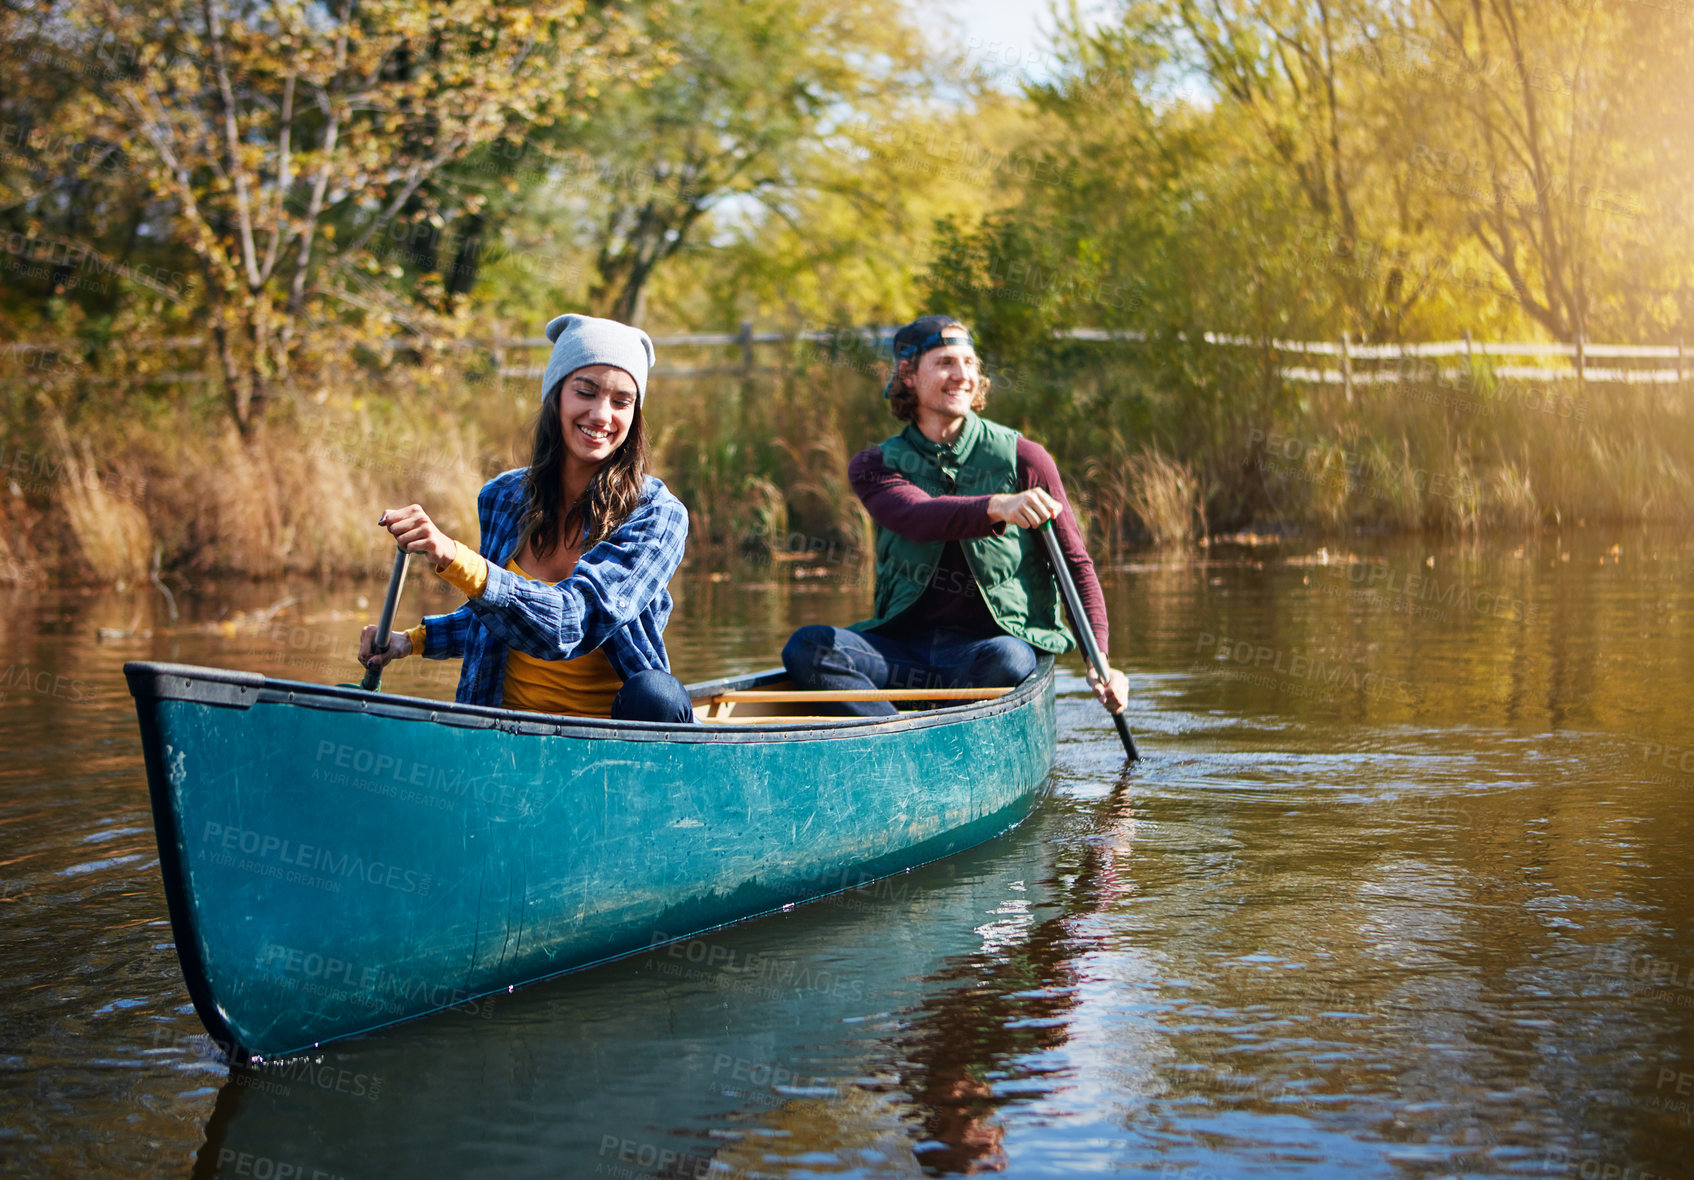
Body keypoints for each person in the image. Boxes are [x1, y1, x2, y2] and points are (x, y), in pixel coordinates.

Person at [781, 314, 1129, 717]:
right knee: (808, 646)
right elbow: (916, 515)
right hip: (903, 655)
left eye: (970, 363)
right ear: (908, 376)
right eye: (946, 362)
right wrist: (998, 506)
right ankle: (895, 733)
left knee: (1012, 659)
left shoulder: (1025, 457)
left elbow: (1075, 565)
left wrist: (1099, 660)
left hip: (988, 653)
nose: (962, 375)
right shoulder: (875, 464)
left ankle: (917, 729)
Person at [356, 313, 694, 722]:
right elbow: (502, 614)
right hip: (504, 727)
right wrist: (409, 642)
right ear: (555, 396)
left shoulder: (657, 515)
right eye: (585, 392)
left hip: (613, 735)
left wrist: (457, 558)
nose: (602, 415)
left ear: (634, 414)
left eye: (621, 401)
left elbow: (570, 624)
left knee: (657, 694)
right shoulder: (502, 497)